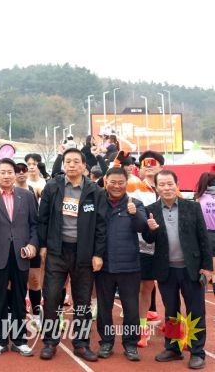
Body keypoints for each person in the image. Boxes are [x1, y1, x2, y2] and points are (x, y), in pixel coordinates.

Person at [38, 147, 106, 362]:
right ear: (63, 164)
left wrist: (98, 253)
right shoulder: (53, 187)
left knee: (83, 301)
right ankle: (50, 342)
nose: (72, 165)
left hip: (84, 253)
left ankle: (81, 343)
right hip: (57, 251)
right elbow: (43, 219)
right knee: (51, 297)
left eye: (76, 161)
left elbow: (101, 225)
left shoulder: (95, 191)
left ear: (84, 166)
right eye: (68, 161)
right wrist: (43, 245)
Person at [143, 170, 212, 370]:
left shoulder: (193, 207)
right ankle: (173, 348)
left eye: (169, 184)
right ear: (156, 187)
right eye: (162, 184)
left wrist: (207, 267)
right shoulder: (150, 210)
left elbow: (204, 238)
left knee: (195, 311)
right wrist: (150, 229)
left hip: (192, 269)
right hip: (166, 270)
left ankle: (197, 352)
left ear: (177, 184)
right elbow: (148, 239)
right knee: (171, 312)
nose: (166, 188)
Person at [0, 158, 38, 357]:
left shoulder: (26, 195)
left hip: (21, 253)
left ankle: (20, 340)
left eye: (10, 172)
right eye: (2, 172)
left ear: (15, 174)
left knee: (20, 297)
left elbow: (35, 224)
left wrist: (33, 244)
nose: (7, 176)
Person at [95, 167, 146, 362]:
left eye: (121, 183)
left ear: (127, 183)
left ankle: (131, 344)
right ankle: (106, 342)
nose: (117, 186)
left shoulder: (135, 203)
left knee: (131, 308)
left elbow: (143, 228)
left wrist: (135, 214)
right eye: (113, 182)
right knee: (104, 308)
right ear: (106, 181)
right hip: (104, 266)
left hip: (129, 266)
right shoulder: (99, 202)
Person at [127, 150, 165, 346]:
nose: (149, 167)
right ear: (140, 169)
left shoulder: (168, 187)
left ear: (161, 167)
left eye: (153, 163)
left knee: (171, 290)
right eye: (145, 164)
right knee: (144, 288)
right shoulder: (134, 187)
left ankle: (176, 330)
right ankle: (141, 328)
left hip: (167, 248)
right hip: (143, 247)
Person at [194, 171, 215, 294]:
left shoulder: (199, 198)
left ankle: (205, 283)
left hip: (206, 235)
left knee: (209, 268)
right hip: (209, 234)